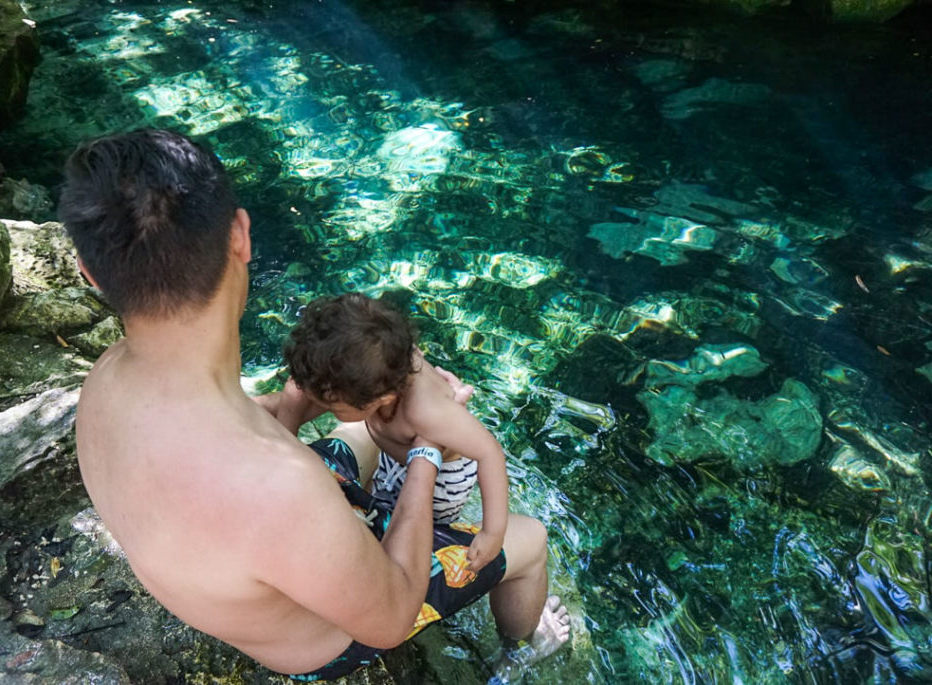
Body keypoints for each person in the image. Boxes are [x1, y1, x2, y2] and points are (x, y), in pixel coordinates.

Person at [58, 128, 570, 682]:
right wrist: (426, 446)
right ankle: (521, 649)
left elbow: (247, 434)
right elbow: (391, 620)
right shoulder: (281, 490)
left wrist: (345, 401)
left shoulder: (107, 378)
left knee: (362, 434)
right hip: (323, 639)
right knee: (529, 539)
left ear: (90, 273)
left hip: (247, 561)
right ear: (241, 237)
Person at [279, 293, 509, 573]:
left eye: (332, 406)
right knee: (377, 497)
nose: (318, 405)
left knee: (408, 535)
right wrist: (284, 444)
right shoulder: (384, 358)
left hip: (442, 480)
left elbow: (489, 453)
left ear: (382, 398)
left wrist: (492, 534)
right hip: (397, 453)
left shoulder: (427, 412)